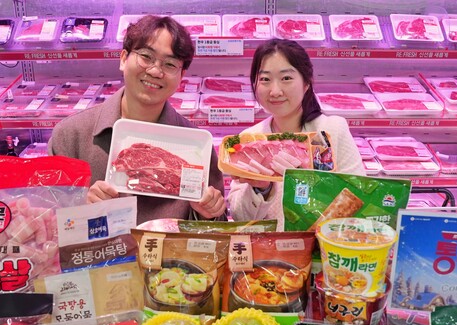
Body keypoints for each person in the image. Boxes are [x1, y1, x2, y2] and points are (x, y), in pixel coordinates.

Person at [48, 15, 226, 224]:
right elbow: (46, 221)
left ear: (181, 76)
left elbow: (216, 228)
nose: (155, 71)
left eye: (170, 64)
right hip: (96, 246)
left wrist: (207, 213)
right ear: (124, 59)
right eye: (146, 57)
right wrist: (78, 207)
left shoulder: (196, 145)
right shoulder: (71, 136)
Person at [227, 39, 365, 229]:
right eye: (265, 79)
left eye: (286, 78)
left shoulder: (330, 131)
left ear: (306, 83)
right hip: (270, 247)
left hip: (322, 244)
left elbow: (358, 197)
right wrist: (261, 189)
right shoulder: (251, 139)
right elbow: (239, 216)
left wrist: (306, 183)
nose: (275, 91)